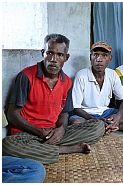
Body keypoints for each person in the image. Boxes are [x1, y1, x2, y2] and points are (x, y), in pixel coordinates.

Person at [2, 34, 105, 164]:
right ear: (42, 53)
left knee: (98, 126)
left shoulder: (66, 81)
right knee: (7, 145)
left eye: (59, 55)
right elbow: (12, 114)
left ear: (66, 58)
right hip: (26, 135)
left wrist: (61, 129)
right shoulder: (26, 76)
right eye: (49, 53)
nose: (53, 59)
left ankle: (45, 149)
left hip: (54, 133)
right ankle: (65, 149)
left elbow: (64, 113)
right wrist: (39, 132)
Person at [69, 41, 123, 134]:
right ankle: (117, 126)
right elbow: (76, 108)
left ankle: (110, 124)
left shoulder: (112, 74)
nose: (99, 59)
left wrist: (117, 117)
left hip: (105, 113)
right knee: (75, 122)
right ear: (91, 58)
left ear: (110, 58)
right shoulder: (81, 75)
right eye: (96, 55)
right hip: (87, 115)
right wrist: (95, 120)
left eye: (104, 55)